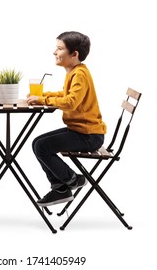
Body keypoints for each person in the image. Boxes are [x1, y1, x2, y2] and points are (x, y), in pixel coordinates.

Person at [26, 31, 107, 207]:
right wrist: (42, 95)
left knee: (41, 146)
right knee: (37, 143)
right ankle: (60, 189)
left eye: (59, 48)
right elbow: (65, 94)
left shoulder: (79, 74)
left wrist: (42, 100)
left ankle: (72, 181)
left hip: (89, 136)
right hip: (82, 132)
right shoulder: (75, 72)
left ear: (74, 54)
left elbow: (70, 102)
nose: (54, 52)